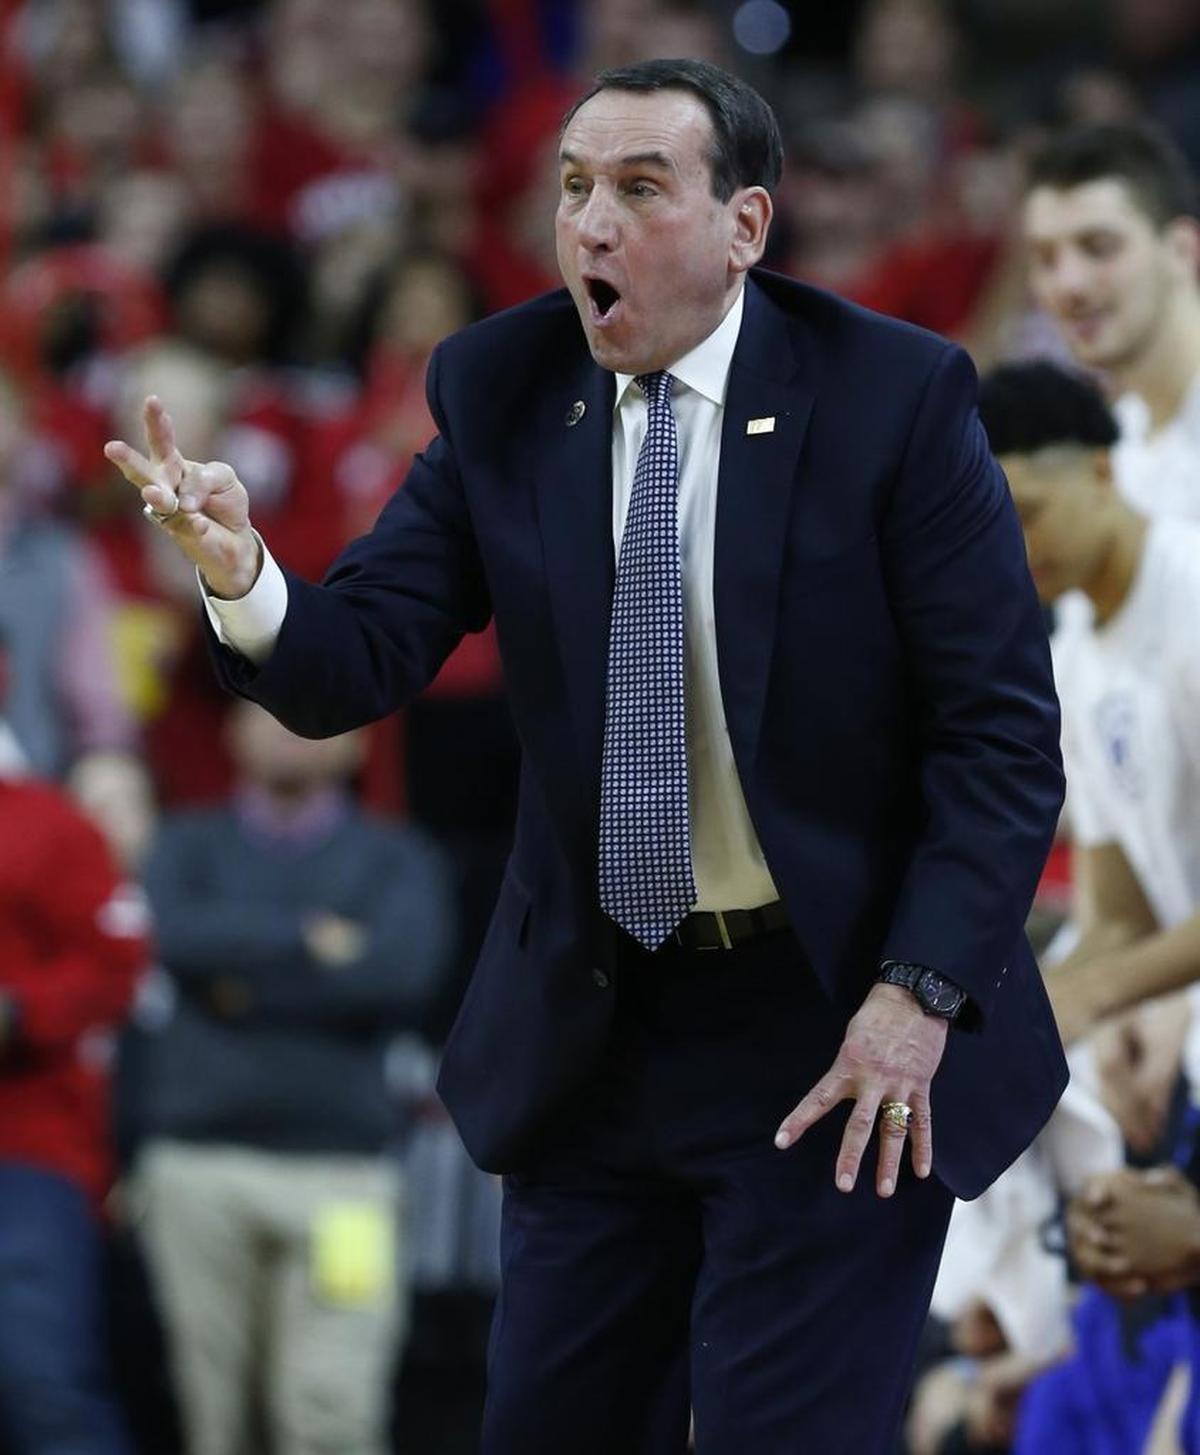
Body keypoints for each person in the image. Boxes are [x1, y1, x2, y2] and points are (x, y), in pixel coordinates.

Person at [106, 58, 1066, 1454]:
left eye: (639, 188)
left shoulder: (891, 396)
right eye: (571, 189)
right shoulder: (502, 388)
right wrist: (243, 570)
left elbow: (1000, 735)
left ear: (744, 226)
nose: (591, 224)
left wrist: (917, 992)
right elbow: (352, 659)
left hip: (831, 1019)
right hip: (599, 1019)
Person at [131, 699, 455, 1455]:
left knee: (335, 1418)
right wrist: (312, 939)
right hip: (197, 1169)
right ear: (230, 731)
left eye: (313, 712)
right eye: (267, 711)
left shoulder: (400, 856)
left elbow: (403, 972)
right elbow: (172, 937)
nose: (290, 727)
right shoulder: (184, 843)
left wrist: (235, 983)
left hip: (348, 1178)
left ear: (360, 744)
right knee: (212, 1423)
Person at [978, 359, 1200, 1046]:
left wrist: (1095, 997)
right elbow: (1120, 915)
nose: (1016, 547)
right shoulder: (1074, 651)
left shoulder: (1190, 599)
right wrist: (1028, 1017)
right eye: (995, 527)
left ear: (1102, 470)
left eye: (1030, 514)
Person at [0, 643, 149, 1454]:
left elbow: (117, 964)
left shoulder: (49, 822)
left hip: (26, 1150)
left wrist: (19, 1010)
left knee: (42, 1385)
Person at [1023, 119, 1200, 518]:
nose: (1068, 284)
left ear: (1181, 250)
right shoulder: (1114, 448)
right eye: (1046, 259)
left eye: (1099, 247)